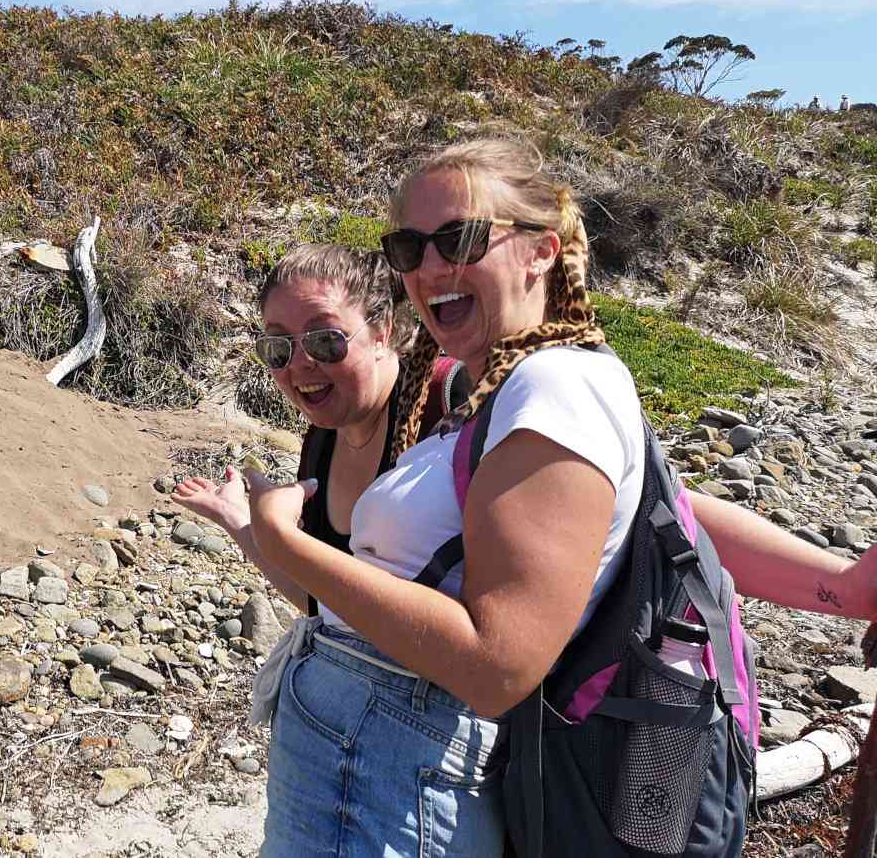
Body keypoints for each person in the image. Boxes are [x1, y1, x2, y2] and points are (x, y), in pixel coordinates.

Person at [176, 142, 877, 857]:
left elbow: (496, 664)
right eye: (409, 247)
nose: (429, 266)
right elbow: (660, 516)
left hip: (391, 766)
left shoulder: (554, 387)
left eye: (460, 238)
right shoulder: (507, 387)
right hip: (364, 754)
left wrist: (282, 540)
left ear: (541, 251)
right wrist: (842, 588)